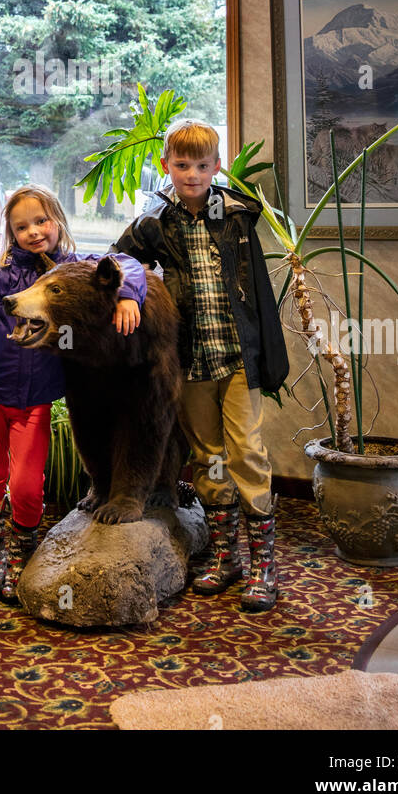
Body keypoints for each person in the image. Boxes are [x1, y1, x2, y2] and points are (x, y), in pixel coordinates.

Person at [114, 120, 288, 612]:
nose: (192, 174)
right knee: (210, 455)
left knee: (247, 453)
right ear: (166, 165)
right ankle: (227, 557)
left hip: (237, 357)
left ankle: (263, 568)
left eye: (202, 165)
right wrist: (129, 293)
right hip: (190, 358)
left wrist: (269, 352)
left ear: (216, 167)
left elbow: (258, 291)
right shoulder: (155, 220)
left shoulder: (235, 216)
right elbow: (120, 260)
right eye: (182, 164)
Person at [0, 184, 147, 604]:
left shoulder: (75, 268)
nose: (34, 231)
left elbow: (128, 264)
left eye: (41, 221)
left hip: (36, 403)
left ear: (59, 221)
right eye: (21, 226)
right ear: (11, 234)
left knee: (26, 485)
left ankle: (23, 552)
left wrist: (129, 296)